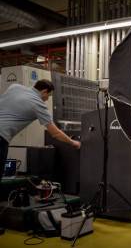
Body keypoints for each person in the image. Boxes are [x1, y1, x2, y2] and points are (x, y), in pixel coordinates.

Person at [0, 79, 81, 235]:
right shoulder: (38, 103)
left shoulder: (15, 86)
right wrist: (74, 143)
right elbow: (55, 133)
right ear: (44, 91)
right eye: (48, 96)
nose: (47, 99)